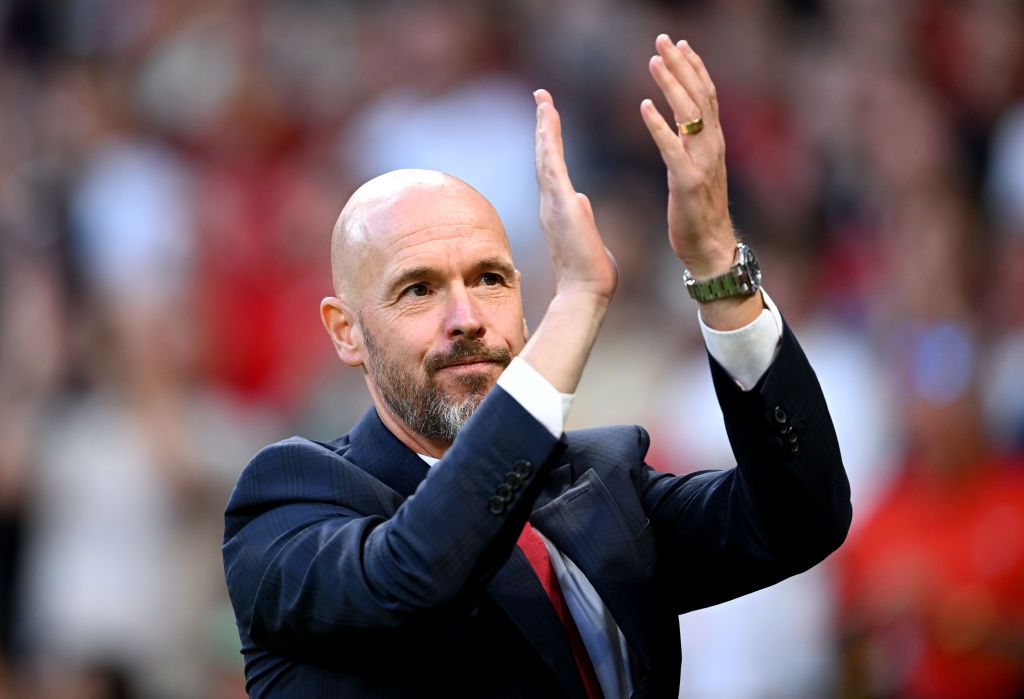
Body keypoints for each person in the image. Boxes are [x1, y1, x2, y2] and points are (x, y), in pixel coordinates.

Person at [222, 35, 851, 698]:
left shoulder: (600, 484)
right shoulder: (287, 504)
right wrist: (578, 304)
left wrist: (718, 260)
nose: (465, 316)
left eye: (490, 278)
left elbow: (802, 518)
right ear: (346, 332)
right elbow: (415, 574)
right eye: (420, 289)